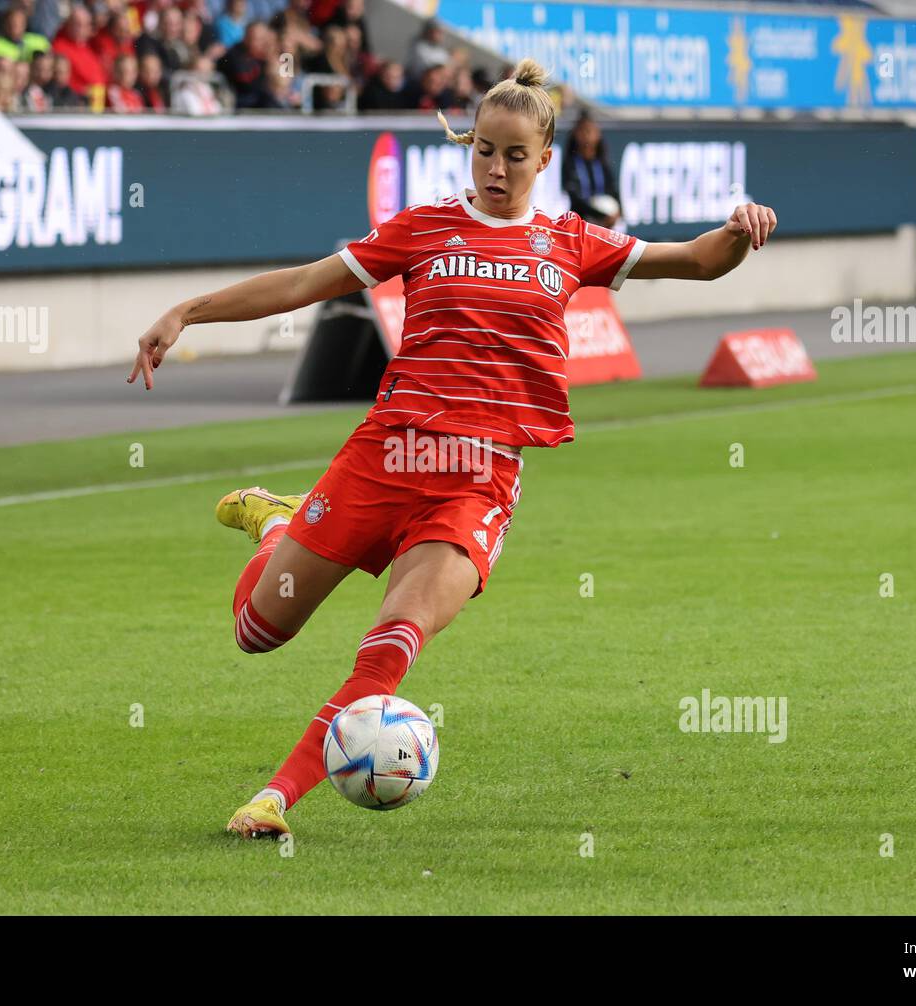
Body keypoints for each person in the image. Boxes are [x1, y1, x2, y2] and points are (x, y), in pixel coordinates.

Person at [126, 57, 777, 839]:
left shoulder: (570, 241)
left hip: (475, 484)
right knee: (258, 632)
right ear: (469, 147)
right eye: (484, 150)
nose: (497, 169)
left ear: (544, 160)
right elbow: (305, 284)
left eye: (514, 155)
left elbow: (698, 261)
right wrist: (187, 311)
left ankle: (273, 798)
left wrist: (741, 229)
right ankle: (276, 523)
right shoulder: (425, 227)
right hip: (384, 459)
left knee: (391, 645)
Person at [562, 110, 621, 228]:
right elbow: (575, 198)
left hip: (605, 224)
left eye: (590, 130)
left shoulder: (602, 163)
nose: (586, 134)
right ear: (575, 134)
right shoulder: (571, 164)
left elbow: (613, 191)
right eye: (583, 130)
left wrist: (616, 213)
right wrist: (600, 214)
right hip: (580, 223)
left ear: (598, 134)